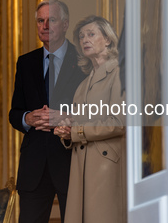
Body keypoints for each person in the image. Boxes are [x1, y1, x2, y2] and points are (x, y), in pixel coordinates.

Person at [9, 0, 87, 223]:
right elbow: (15, 112)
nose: (45, 25)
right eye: (40, 20)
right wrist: (27, 118)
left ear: (65, 24)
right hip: (34, 167)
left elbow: (96, 110)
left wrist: (65, 117)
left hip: (71, 161)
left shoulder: (83, 60)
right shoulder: (25, 63)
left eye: (51, 20)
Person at [54, 15, 126, 223]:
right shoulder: (83, 85)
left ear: (108, 39)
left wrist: (76, 132)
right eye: (81, 36)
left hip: (107, 166)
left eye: (91, 34)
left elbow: (119, 122)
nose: (84, 39)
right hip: (80, 168)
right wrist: (65, 132)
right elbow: (77, 126)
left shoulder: (119, 72)